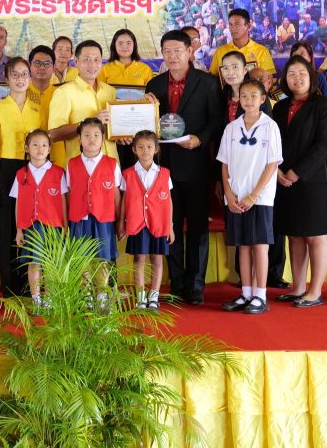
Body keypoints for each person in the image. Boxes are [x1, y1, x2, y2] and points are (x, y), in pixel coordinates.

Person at [146, 31, 222, 305]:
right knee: (170, 225)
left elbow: (217, 122)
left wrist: (199, 139)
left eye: (178, 50)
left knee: (198, 228)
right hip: (164, 168)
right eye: (167, 51)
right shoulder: (154, 84)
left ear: (190, 51)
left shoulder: (207, 82)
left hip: (197, 165)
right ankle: (177, 284)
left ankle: (196, 285)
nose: (172, 56)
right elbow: (147, 126)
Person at [272, 56, 327, 308]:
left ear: (311, 77)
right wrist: (277, 170)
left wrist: (297, 172)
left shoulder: (323, 104)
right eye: (291, 74)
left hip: (313, 180)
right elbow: (272, 143)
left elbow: (325, 144)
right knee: (295, 236)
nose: (297, 78)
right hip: (284, 180)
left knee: (316, 237)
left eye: (302, 73)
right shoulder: (279, 107)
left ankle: (315, 290)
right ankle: (298, 288)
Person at [217, 79, 282, 315]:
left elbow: (273, 163)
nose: (249, 100)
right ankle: (246, 293)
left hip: (259, 197)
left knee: (259, 246)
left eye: (254, 96)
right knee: (243, 246)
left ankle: (260, 295)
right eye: (244, 96)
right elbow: (224, 163)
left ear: (263, 99)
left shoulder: (270, 126)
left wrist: (254, 195)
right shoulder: (231, 128)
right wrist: (228, 192)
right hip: (236, 197)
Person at [0, 57, 42, 296]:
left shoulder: (38, 109)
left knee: (31, 228)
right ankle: (10, 288)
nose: (20, 79)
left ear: (30, 78)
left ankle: (30, 287)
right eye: (15, 74)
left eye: (24, 74)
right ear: (6, 78)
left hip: (33, 170)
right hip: (6, 171)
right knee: (7, 229)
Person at [65, 117, 121, 305]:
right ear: (79, 139)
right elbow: (68, 193)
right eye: (87, 135)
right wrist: (68, 220)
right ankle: (86, 293)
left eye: (96, 135)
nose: (91, 139)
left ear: (103, 138)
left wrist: (120, 221)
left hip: (104, 218)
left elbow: (116, 194)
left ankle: (102, 294)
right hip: (79, 219)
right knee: (82, 257)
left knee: (103, 257)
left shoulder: (112, 164)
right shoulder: (71, 164)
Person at [10, 129, 67, 307]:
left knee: (51, 264)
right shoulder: (21, 174)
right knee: (34, 263)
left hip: (53, 226)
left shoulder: (58, 173)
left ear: (49, 149)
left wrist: (65, 226)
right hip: (31, 227)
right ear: (27, 148)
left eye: (44, 145)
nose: (40, 149)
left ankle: (49, 299)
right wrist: (19, 229)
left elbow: (63, 200)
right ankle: (36, 299)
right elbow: (18, 203)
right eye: (35, 145)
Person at [120, 131, 174, 310]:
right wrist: (121, 223)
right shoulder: (128, 174)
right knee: (139, 259)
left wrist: (170, 226)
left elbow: (169, 201)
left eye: (149, 146)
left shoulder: (164, 173)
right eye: (141, 147)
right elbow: (124, 201)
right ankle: (141, 297)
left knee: (157, 259)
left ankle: (154, 297)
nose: (145, 150)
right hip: (137, 224)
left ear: (156, 149)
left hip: (159, 223)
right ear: (134, 149)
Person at [48, 40, 118, 167]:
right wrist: (89, 122)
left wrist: (122, 135)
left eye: (96, 59)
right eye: (87, 59)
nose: (92, 64)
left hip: (111, 164)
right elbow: (53, 134)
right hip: (80, 167)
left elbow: (112, 130)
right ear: (76, 61)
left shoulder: (110, 91)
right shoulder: (64, 92)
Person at [209, 9, 276, 77]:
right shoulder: (220, 52)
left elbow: (268, 80)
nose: (233, 28)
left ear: (248, 26)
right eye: (231, 24)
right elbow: (211, 78)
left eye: (237, 24)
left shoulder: (262, 51)